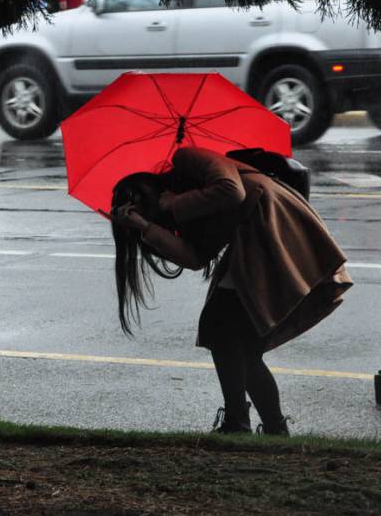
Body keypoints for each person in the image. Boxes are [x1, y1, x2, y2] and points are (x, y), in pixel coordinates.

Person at [110, 147, 353, 436]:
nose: (145, 206)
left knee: (221, 326)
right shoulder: (187, 209)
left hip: (271, 228)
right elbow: (194, 258)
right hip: (256, 243)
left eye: (140, 199)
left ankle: (241, 422)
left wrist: (173, 203)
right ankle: (267, 427)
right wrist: (145, 227)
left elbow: (231, 190)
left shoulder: (186, 158)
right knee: (240, 345)